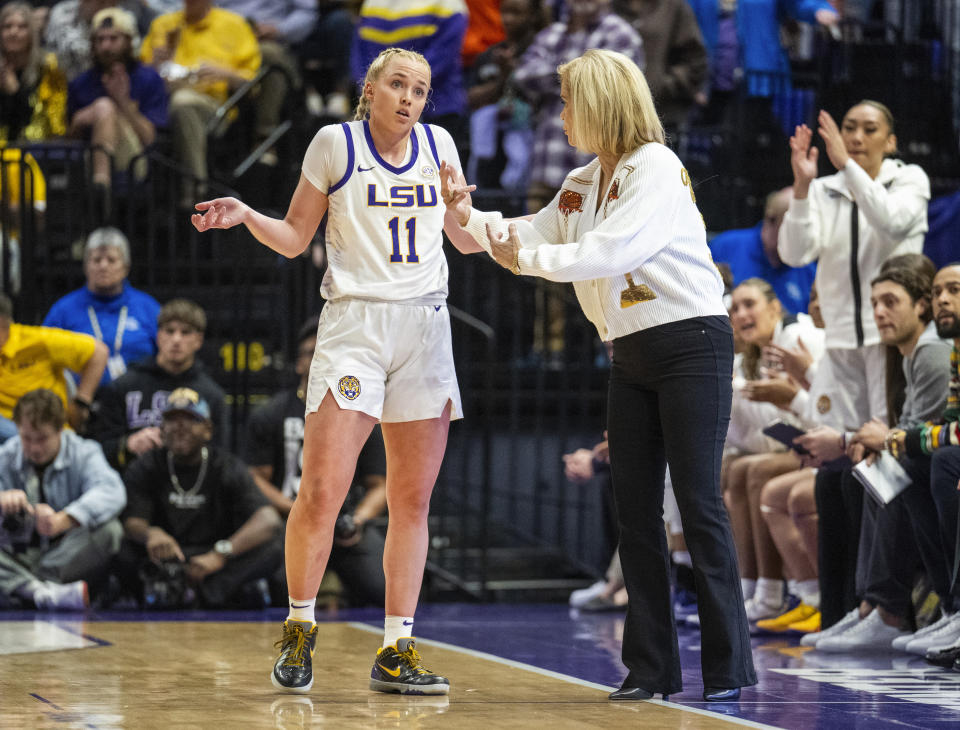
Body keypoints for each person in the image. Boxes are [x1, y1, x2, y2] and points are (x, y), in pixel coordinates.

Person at [443, 48, 756, 701]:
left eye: (567, 102)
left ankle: (730, 668)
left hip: (690, 341)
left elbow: (613, 249)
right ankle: (650, 670)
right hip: (628, 349)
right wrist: (462, 215)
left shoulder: (656, 167)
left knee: (697, 505)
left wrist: (524, 256)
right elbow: (516, 232)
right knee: (633, 512)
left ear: (601, 105)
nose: (558, 115)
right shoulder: (584, 180)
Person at [192, 47, 482, 695]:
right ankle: (300, 626)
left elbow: (464, 240)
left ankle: (397, 648)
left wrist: (462, 207)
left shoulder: (440, 144)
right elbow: (296, 238)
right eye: (398, 85)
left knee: (411, 500)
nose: (410, 98)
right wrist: (245, 214)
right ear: (370, 89)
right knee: (322, 491)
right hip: (354, 325)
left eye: (421, 89)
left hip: (426, 326)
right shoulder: (335, 143)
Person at [245, 315, 387, 607]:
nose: (322, 357)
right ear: (299, 363)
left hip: (345, 522)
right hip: (293, 518)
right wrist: (297, 509)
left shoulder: (362, 414)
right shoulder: (271, 414)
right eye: (313, 352)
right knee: (281, 588)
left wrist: (357, 519)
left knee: (381, 588)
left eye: (329, 350)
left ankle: (337, 589)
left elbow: (380, 485)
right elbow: (255, 478)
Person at [116, 387, 282, 608]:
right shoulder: (147, 465)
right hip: (165, 555)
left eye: (191, 420)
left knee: (274, 548)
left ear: (208, 430)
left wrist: (220, 554)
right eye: (172, 421)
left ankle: (201, 595)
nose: (180, 428)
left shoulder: (225, 465)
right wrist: (151, 534)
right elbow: (131, 521)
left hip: (212, 555)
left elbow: (268, 519)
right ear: (162, 430)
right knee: (118, 545)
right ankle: (165, 594)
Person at [0, 388, 125, 609]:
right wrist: (2, 498)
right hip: (17, 553)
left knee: (110, 531)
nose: (34, 448)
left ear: (60, 430)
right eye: (27, 438)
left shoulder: (84, 452)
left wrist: (66, 519)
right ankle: (40, 593)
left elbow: (112, 491)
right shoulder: (7, 454)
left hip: (65, 556)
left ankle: (22, 587)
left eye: (42, 439)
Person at [139, 0, 260, 201]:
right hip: (161, 101)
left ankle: (195, 192)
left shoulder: (234, 24)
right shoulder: (164, 24)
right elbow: (141, 77)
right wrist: (155, 64)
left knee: (183, 102)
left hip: (214, 107)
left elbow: (253, 84)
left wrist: (227, 74)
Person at [89, 298, 228, 472]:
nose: (176, 339)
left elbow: (220, 458)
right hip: (131, 483)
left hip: (189, 487)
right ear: (158, 335)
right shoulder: (123, 387)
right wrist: (128, 444)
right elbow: (97, 452)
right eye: (169, 331)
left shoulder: (211, 395)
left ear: (198, 340)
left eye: (185, 332)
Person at [42, 227, 162, 387]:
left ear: (126, 267)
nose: (103, 266)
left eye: (111, 260)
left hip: (138, 403)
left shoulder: (148, 308)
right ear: (86, 266)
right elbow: (43, 357)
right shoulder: (63, 310)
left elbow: (167, 357)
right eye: (97, 260)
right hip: (80, 402)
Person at [66, 7, 168, 188]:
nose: (106, 46)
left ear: (129, 41)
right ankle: (100, 186)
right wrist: (79, 120)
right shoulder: (80, 83)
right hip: (86, 159)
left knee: (105, 106)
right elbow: (68, 140)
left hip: (135, 161)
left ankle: (101, 185)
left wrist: (122, 102)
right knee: (103, 107)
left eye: (113, 39)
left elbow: (150, 139)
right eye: (100, 40)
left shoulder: (149, 79)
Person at [0, 293, 109, 434]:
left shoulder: (37, 341)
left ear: (4, 324)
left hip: (48, 430)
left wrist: (81, 402)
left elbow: (98, 352)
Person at [708, 188, 817, 315]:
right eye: (797, 229)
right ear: (771, 219)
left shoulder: (806, 267)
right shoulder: (725, 247)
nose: (804, 238)